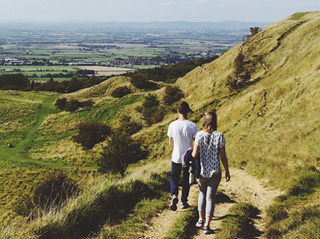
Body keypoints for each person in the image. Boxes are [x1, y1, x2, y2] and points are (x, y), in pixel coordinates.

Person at [192, 111, 230, 234]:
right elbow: (223, 156)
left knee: (201, 194)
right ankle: (207, 225)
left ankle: (200, 219)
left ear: (204, 121)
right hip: (214, 171)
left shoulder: (199, 135)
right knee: (210, 198)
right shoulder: (220, 136)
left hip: (202, 171)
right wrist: (227, 170)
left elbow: (194, 154)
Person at [167, 101, 198, 211]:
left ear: (178, 111)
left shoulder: (172, 125)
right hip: (188, 157)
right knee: (186, 180)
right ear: (188, 112)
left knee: (174, 178)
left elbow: (171, 142)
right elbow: (196, 142)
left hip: (176, 155)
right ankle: (184, 201)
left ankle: (174, 195)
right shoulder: (192, 126)